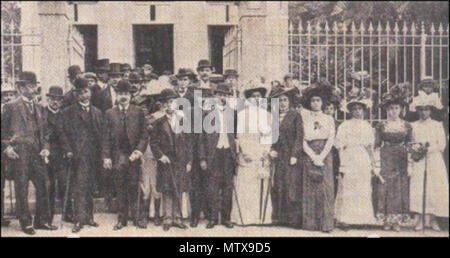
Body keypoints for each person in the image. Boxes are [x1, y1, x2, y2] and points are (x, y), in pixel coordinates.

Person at [1, 72, 55, 235]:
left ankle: (41, 220)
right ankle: (26, 222)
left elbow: (45, 133)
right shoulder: (10, 107)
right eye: (30, 86)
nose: (34, 89)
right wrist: (7, 148)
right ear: (21, 88)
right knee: (22, 188)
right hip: (20, 155)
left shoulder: (39, 107)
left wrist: (46, 147)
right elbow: (2, 132)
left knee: (44, 185)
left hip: (38, 155)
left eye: (34, 85)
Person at [58, 77, 103, 233]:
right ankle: (78, 219)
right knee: (79, 188)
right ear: (75, 95)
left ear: (90, 92)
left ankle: (89, 217)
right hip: (77, 156)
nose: (84, 95)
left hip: (93, 156)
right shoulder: (68, 112)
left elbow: (102, 136)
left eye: (86, 91)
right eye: (80, 93)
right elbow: (62, 134)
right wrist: (68, 150)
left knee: (90, 187)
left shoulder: (97, 112)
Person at [102, 80, 148, 230]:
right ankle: (122, 219)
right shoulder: (109, 113)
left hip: (133, 155)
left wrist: (139, 150)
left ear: (131, 95)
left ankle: (137, 217)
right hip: (117, 156)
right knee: (120, 187)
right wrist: (106, 157)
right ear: (116, 95)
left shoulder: (138, 111)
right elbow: (105, 137)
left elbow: (144, 135)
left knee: (135, 186)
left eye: (126, 94)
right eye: (121, 93)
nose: (123, 97)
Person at [149, 88, 193, 231]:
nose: (169, 105)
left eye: (172, 102)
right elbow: (153, 142)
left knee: (179, 188)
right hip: (166, 161)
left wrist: (189, 161)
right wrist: (161, 156)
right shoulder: (158, 122)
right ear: (162, 106)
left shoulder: (183, 120)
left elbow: (188, 142)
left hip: (180, 160)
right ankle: (167, 218)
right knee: (167, 188)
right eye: (166, 103)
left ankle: (177, 217)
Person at [373, 85, 413, 232]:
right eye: (390, 108)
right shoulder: (381, 125)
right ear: (386, 110)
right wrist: (376, 165)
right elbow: (377, 145)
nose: (393, 111)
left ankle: (397, 221)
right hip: (386, 157)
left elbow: (410, 145)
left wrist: (410, 164)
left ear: (401, 109)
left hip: (401, 158)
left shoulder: (407, 125)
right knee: (385, 188)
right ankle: (386, 220)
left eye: (396, 108)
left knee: (399, 188)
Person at [232, 85, 273, 226]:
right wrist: (244, 152)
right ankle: (246, 217)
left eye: (258, 96)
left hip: (261, 152)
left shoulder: (267, 116)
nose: (256, 99)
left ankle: (260, 217)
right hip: (248, 151)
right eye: (253, 96)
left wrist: (265, 152)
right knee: (247, 184)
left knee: (260, 181)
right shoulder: (243, 115)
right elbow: (240, 136)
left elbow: (269, 136)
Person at [334, 98, 377, 229]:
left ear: (364, 110)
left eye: (360, 109)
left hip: (362, 158)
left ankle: (362, 219)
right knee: (349, 187)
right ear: (350, 111)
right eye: (354, 109)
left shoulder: (367, 126)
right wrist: (342, 163)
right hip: (349, 156)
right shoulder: (345, 125)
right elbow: (340, 146)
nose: (357, 111)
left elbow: (370, 146)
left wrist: (372, 162)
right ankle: (346, 219)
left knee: (363, 187)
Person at [199, 82, 238, 229]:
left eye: (225, 95)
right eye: (220, 94)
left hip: (228, 153)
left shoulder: (233, 113)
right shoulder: (206, 113)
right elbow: (201, 138)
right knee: (212, 187)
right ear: (214, 96)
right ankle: (213, 218)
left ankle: (226, 218)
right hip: (213, 154)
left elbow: (236, 135)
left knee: (227, 187)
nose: (222, 97)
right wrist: (202, 158)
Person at [300, 83, 336, 232]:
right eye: (313, 100)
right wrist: (313, 156)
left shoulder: (328, 119)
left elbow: (331, 138)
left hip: (325, 155)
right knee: (310, 188)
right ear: (309, 102)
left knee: (325, 188)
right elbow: (302, 139)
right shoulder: (305, 119)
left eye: (318, 100)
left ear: (323, 102)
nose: (315, 103)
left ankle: (325, 224)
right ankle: (310, 224)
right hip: (309, 153)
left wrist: (321, 156)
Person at [409, 99, 449, 231]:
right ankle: (419, 219)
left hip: (434, 160)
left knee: (434, 188)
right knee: (419, 187)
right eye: (421, 109)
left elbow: (441, 145)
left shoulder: (437, 125)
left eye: (426, 109)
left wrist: (427, 149)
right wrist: (417, 150)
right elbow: (411, 143)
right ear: (417, 110)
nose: (423, 112)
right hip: (419, 160)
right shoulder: (413, 125)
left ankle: (432, 220)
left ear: (431, 111)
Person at [268, 87, 303, 228]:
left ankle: (294, 219)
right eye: (280, 100)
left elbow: (299, 137)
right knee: (279, 184)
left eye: (285, 100)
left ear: (289, 102)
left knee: (292, 185)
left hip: (291, 156)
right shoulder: (273, 116)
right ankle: (280, 217)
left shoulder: (295, 115)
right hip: (279, 156)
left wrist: (295, 154)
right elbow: (271, 137)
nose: (282, 103)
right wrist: (272, 149)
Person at [42, 85, 71, 224]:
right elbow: (42, 135)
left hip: (62, 155)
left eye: (58, 99)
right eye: (53, 99)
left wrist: (68, 150)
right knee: (49, 186)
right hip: (46, 155)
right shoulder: (42, 113)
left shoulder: (65, 114)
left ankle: (68, 213)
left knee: (65, 184)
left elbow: (69, 135)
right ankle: (49, 216)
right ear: (48, 99)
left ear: (61, 101)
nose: (55, 102)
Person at [1, 82, 18, 228]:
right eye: (5, 95)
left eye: (11, 94)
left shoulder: (14, 110)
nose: (8, 97)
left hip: (8, 152)